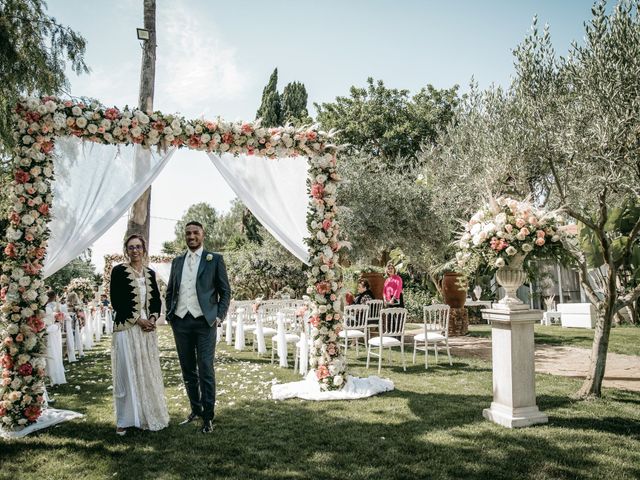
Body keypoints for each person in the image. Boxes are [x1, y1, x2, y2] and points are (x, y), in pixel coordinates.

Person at [166, 221, 231, 434]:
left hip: (205, 323)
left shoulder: (215, 259)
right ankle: (196, 409)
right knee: (187, 369)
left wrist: (218, 316)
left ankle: (208, 417)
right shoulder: (177, 262)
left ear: (203, 235)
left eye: (195, 233)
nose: (191, 236)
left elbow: (225, 291)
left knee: (205, 368)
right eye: (188, 233)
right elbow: (171, 291)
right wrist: (171, 315)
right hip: (181, 321)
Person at [109, 234, 169, 435]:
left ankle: (146, 414)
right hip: (127, 327)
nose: (135, 250)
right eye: (131, 247)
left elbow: (156, 301)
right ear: (126, 250)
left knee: (146, 370)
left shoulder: (150, 273)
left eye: (138, 247)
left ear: (144, 249)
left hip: (146, 329)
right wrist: (137, 319)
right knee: (126, 372)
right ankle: (124, 420)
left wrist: (152, 319)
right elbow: (116, 301)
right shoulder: (118, 271)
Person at [44, 291, 66, 386]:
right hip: (51, 331)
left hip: (51, 331)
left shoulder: (48, 308)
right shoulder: (52, 307)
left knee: (52, 353)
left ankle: (52, 375)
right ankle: (51, 375)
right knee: (53, 353)